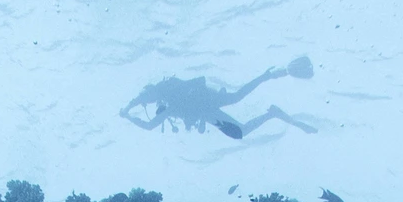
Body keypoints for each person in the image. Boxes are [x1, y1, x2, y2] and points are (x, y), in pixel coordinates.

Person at [120, 57, 317, 139]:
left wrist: (128, 112)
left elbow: (145, 107)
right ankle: (272, 113)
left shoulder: (169, 93)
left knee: (237, 98)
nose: (149, 100)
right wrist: (128, 112)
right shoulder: (168, 103)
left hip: (206, 102)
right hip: (205, 111)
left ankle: (271, 75)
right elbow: (147, 122)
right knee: (240, 132)